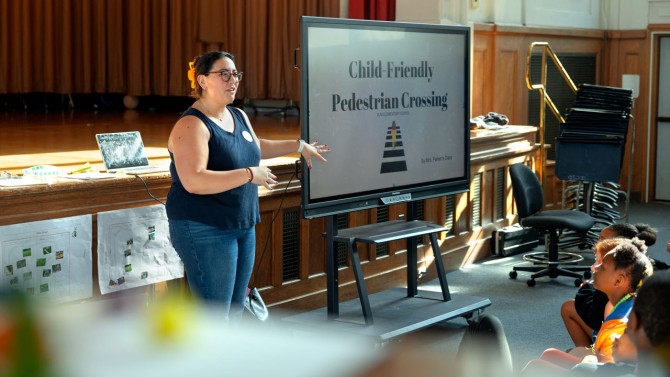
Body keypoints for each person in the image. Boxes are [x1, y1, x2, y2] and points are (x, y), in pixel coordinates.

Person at [166, 51, 330, 319]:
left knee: (234, 310)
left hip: (242, 224)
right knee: (215, 316)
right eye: (224, 74)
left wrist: (298, 145)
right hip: (205, 228)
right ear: (203, 81)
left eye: (235, 74)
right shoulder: (191, 125)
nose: (233, 80)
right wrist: (249, 174)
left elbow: (254, 145)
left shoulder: (238, 114)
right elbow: (194, 180)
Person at [523, 238, 653, 374]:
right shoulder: (627, 302)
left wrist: (590, 360)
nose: (594, 268)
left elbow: (609, 371)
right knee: (550, 354)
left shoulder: (616, 328)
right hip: (603, 365)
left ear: (618, 280)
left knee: (535, 366)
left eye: (602, 266)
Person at [561, 224, 657, 348]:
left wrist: (586, 289)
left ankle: (583, 354)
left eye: (601, 265)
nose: (593, 267)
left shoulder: (612, 306)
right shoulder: (640, 267)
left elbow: (594, 318)